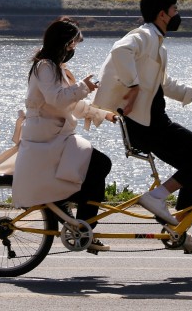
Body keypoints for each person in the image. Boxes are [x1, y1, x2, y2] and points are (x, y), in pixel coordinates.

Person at [95, 0, 192, 253]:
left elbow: (165, 84)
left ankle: (177, 229)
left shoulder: (156, 43)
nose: (178, 14)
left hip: (152, 123)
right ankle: (156, 198)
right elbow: (120, 51)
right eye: (175, 9)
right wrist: (131, 87)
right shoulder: (144, 36)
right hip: (148, 126)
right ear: (163, 14)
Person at [12, 16, 117, 254]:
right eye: (73, 45)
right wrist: (84, 87)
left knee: (98, 166)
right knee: (99, 164)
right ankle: (82, 228)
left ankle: (74, 219)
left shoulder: (56, 68)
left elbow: (70, 105)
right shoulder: (45, 67)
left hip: (57, 137)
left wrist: (104, 114)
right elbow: (58, 99)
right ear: (64, 42)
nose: (74, 49)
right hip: (46, 139)